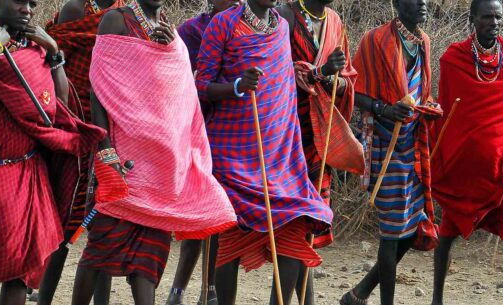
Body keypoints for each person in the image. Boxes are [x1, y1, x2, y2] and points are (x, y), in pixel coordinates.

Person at [70, 0, 238, 303]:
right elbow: (99, 86)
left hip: (162, 164)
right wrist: (105, 148)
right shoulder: (115, 20)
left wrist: (170, 48)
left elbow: (180, 86)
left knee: (147, 261)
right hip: (126, 158)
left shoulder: (168, 27)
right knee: (99, 249)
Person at [194, 1, 333, 304]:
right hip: (232, 155)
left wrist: (291, 151)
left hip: (277, 155)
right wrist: (237, 87)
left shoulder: (281, 28)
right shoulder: (224, 24)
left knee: (296, 223)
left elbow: (283, 95)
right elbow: (201, 85)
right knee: (231, 237)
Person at [0, 0, 106, 302]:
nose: (27, 10)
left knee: (24, 269)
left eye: (32, 4)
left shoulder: (34, 47)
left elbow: (58, 102)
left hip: (31, 167)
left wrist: (53, 51)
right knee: (4, 258)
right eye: (19, 2)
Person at [340, 0, 443, 304]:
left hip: (413, 144)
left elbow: (421, 92)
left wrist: (430, 105)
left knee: (412, 228)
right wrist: (384, 108)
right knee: (392, 229)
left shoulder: (423, 41)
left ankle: (358, 294)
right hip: (383, 144)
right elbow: (353, 91)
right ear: (398, 4)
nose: (423, 3)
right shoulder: (375, 40)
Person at [429, 0, 503, 304]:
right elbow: (449, 114)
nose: (494, 22)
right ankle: (436, 297)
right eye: (487, 16)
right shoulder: (454, 58)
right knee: (447, 231)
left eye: (498, 16)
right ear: (473, 18)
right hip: (464, 166)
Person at [37, 0, 127, 303]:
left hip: (111, 126)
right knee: (65, 222)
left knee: (103, 219)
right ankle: (44, 295)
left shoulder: (127, 12)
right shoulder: (77, 10)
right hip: (74, 125)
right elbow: (51, 63)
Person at [276, 0, 363, 303]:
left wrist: (334, 80)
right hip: (287, 135)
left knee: (310, 220)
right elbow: (276, 73)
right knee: (293, 222)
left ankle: (305, 298)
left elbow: (347, 78)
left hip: (319, 136)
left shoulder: (336, 22)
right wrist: (320, 71)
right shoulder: (284, 16)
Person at [164, 1, 241, 305]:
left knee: (219, 214)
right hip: (194, 129)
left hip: (231, 131)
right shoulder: (190, 32)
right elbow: (177, 79)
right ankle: (178, 289)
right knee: (196, 217)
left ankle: (208, 290)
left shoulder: (243, 30)